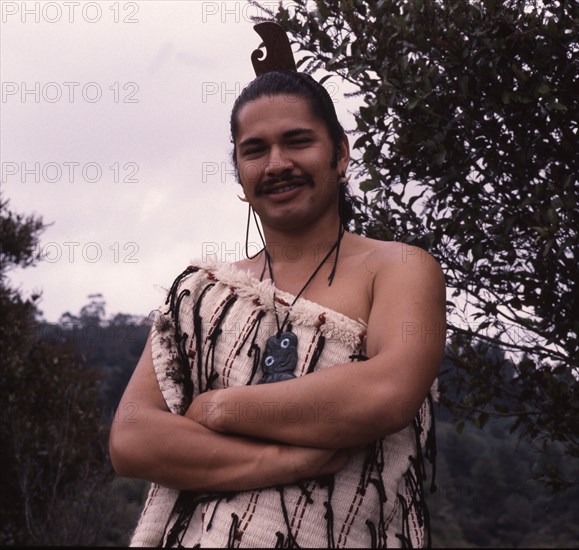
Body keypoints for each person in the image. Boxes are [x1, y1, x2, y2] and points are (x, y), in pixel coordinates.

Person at [109, 24, 446, 549]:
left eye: (297, 141)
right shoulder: (200, 295)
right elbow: (132, 438)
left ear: (340, 153)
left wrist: (216, 409)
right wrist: (286, 460)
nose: (277, 164)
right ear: (238, 173)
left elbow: (386, 394)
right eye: (254, 149)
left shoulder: (399, 268)